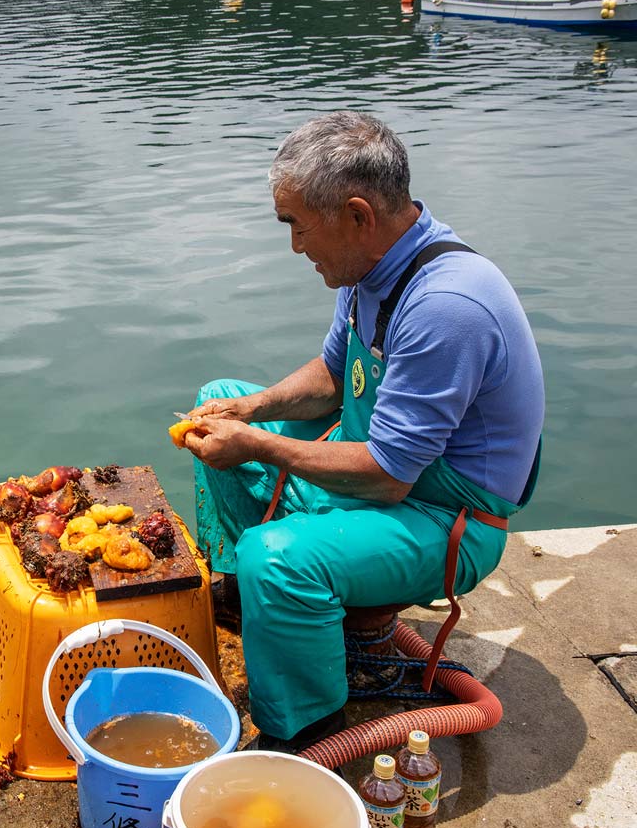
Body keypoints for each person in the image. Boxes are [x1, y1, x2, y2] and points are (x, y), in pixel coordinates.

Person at [179, 111, 542, 753]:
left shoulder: (446, 306)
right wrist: (252, 410)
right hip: (386, 476)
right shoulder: (371, 271)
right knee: (219, 403)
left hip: (441, 516)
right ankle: (249, 598)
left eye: (296, 225)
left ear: (356, 215)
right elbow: (330, 375)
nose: (294, 246)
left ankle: (306, 730)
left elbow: (388, 476)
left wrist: (259, 443)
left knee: (279, 556)